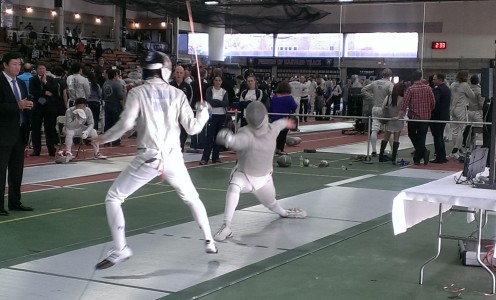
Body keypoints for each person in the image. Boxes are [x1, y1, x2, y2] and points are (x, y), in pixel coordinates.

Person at [93, 51, 217, 270]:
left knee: (113, 197)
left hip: (149, 157)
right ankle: (209, 240)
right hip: (173, 158)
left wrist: (102, 139)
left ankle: (121, 248)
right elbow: (193, 128)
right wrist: (204, 114)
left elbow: (124, 126)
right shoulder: (177, 94)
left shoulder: (137, 93)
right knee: (192, 198)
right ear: (165, 71)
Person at [213, 101, 307, 242]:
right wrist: (229, 140)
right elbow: (237, 142)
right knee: (234, 185)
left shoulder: (271, 129)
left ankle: (284, 212)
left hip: (264, 180)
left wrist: (289, 122)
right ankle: (227, 225)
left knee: (271, 203)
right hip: (244, 175)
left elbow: (282, 123)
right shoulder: (249, 133)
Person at [0, 52, 34, 216]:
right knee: (1, 171)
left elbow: (22, 105)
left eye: (19, 64)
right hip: (3, 134)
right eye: (14, 64)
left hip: (19, 132)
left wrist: (28, 106)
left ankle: (15, 202)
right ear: (5, 65)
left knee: (16, 171)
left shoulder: (20, 83)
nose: (17, 67)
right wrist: (17, 105)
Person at [394, 70, 435, 165]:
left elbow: (404, 104)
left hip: (413, 117)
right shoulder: (428, 89)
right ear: (421, 77)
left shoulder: (410, 89)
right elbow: (433, 102)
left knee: (412, 135)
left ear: (413, 78)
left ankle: (420, 155)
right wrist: (429, 111)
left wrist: (399, 116)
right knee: (422, 137)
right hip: (425, 117)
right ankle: (422, 153)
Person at [361, 69, 394, 156]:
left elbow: (363, 90)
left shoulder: (375, 82)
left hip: (375, 108)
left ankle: (374, 151)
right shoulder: (390, 84)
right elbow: (392, 94)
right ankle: (393, 150)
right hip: (385, 109)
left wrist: (371, 97)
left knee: (374, 130)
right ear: (390, 76)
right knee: (389, 130)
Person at [29, 62, 59, 157]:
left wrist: (45, 82)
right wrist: (44, 92)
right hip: (37, 106)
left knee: (50, 128)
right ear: (36, 70)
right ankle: (36, 150)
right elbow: (32, 91)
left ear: (46, 70)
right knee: (36, 128)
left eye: (43, 68)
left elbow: (54, 91)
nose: (41, 70)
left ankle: (51, 149)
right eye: (39, 69)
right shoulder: (32, 79)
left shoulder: (52, 79)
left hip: (49, 107)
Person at [200, 74, 228, 165]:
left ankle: (216, 157)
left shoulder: (224, 92)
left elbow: (225, 103)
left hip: (221, 116)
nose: (218, 82)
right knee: (209, 137)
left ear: (221, 82)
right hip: (212, 116)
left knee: (218, 138)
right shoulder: (209, 90)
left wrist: (216, 102)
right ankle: (205, 158)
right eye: (216, 80)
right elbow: (209, 101)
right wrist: (218, 102)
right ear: (213, 81)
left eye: (219, 80)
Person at [378, 82, 405, 164]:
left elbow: (383, 108)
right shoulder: (402, 98)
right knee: (396, 139)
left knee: (385, 138)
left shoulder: (388, 97)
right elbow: (403, 110)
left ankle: (381, 155)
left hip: (389, 119)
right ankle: (393, 157)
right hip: (398, 120)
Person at [450, 70, 475, 157]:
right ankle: (456, 149)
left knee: (455, 130)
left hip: (453, 108)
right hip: (462, 108)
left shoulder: (453, 84)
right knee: (462, 129)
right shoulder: (465, 85)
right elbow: (472, 95)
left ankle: (456, 149)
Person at [270, 81, 298, 155]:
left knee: (275, 135)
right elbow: (294, 106)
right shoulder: (289, 97)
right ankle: (280, 149)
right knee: (283, 135)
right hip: (284, 119)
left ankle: (274, 149)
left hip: (274, 119)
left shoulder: (274, 97)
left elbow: (271, 108)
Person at [429, 73, 451, 163]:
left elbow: (435, 103)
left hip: (437, 116)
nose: (433, 81)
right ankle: (442, 156)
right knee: (440, 136)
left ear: (440, 79)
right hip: (444, 115)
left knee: (437, 137)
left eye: (434, 79)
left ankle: (439, 157)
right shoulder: (447, 89)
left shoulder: (438, 90)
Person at [102, 69, 125, 146]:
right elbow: (120, 97)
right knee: (116, 123)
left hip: (107, 105)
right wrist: (123, 107)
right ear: (115, 75)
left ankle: (106, 140)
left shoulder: (105, 83)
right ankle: (116, 141)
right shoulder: (117, 84)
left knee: (107, 123)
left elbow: (103, 95)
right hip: (115, 105)